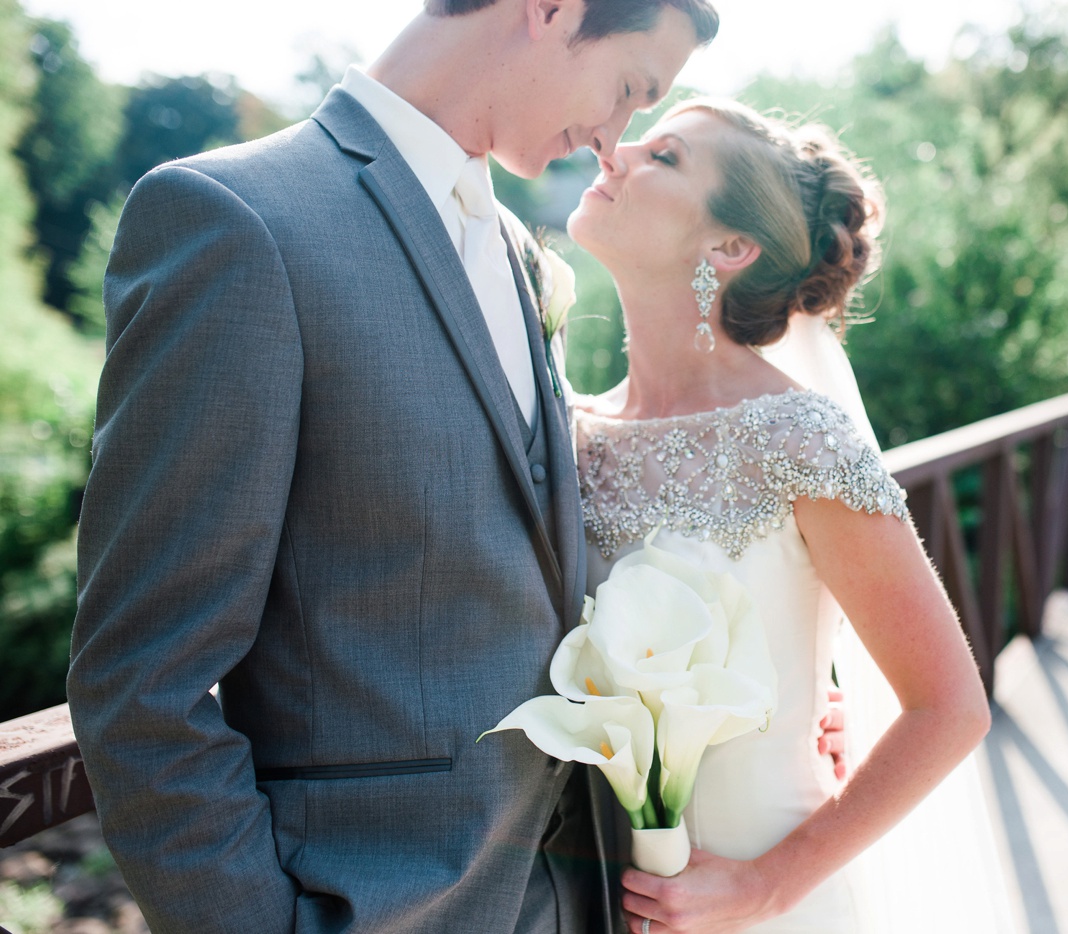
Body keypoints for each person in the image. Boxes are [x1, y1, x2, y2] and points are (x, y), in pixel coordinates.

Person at [65, 2, 717, 932]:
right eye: (628, 89)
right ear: (551, 10)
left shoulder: (520, 254)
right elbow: (140, 682)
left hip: (571, 898)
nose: (615, 140)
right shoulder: (236, 220)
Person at [567, 99, 1015, 932]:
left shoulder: (800, 437)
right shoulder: (570, 432)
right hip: (588, 900)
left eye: (663, 156)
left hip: (767, 904)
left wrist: (765, 888)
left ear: (729, 248)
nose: (613, 152)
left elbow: (950, 707)